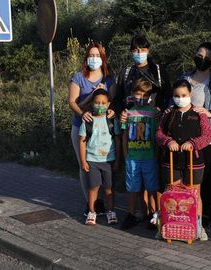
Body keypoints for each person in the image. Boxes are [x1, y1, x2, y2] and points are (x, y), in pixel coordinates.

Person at [156, 79, 211, 241]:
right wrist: (168, 141)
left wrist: (193, 143)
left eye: (183, 95)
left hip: (193, 161)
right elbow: (159, 133)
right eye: (176, 95)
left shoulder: (199, 114)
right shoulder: (168, 114)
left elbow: (207, 135)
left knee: (194, 194)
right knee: (172, 192)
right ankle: (169, 224)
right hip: (172, 160)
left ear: (190, 94)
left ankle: (198, 225)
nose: (180, 98)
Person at [68, 42, 116, 215]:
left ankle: (103, 201)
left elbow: (113, 101)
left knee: (104, 164)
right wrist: (84, 110)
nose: (94, 59)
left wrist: (111, 110)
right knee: (85, 165)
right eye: (91, 55)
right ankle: (90, 202)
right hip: (81, 127)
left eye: (97, 56)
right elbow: (73, 102)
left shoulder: (109, 78)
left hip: (103, 129)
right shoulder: (78, 77)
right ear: (86, 58)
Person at [181, 42, 211, 228]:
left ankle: (207, 212)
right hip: (186, 135)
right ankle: (189, 210)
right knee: (189, 174)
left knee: (207, 176)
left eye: (206, 57)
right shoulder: (185, 77)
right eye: (199, 55)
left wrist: (210, 112)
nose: (201, 59)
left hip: (209, 135)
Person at [120, 78, 160, 230]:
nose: (141, 97)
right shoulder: (128, 113)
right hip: (132, 158)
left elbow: (157, 135)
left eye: (145, 95)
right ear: (131, 94)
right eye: (138, 94)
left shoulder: (153, 113)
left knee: (151, 188)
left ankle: (152, 214)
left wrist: (156, 155)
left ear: (149, 96)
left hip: (149, 157)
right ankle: (131, 215)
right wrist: (125, 155)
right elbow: (124, 136)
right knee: (133, 188)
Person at [78, 89, 119, 225]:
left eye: (103, 103)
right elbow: (82, 141)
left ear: (108, 105)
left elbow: (118, 140)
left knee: (109, 188)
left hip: (109, 160)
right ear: (92, 104)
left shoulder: (112, 120)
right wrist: (83, 160)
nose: (100, 105)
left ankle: (111, 211)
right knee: (93, 187)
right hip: (93, 161)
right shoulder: (87, 121)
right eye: (97, 102)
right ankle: (91, 212)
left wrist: (118, 159)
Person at [114, 33, 172, 113]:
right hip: (131, 119)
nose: (139, 53)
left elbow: (169, 95)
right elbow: (118, 99)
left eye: (143, 50)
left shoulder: (158, 70)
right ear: (131, 51)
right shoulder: (126, 72)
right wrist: (121, 112)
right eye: (136, 50)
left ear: (148, 50)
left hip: (155, 118)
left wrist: (162, 109)